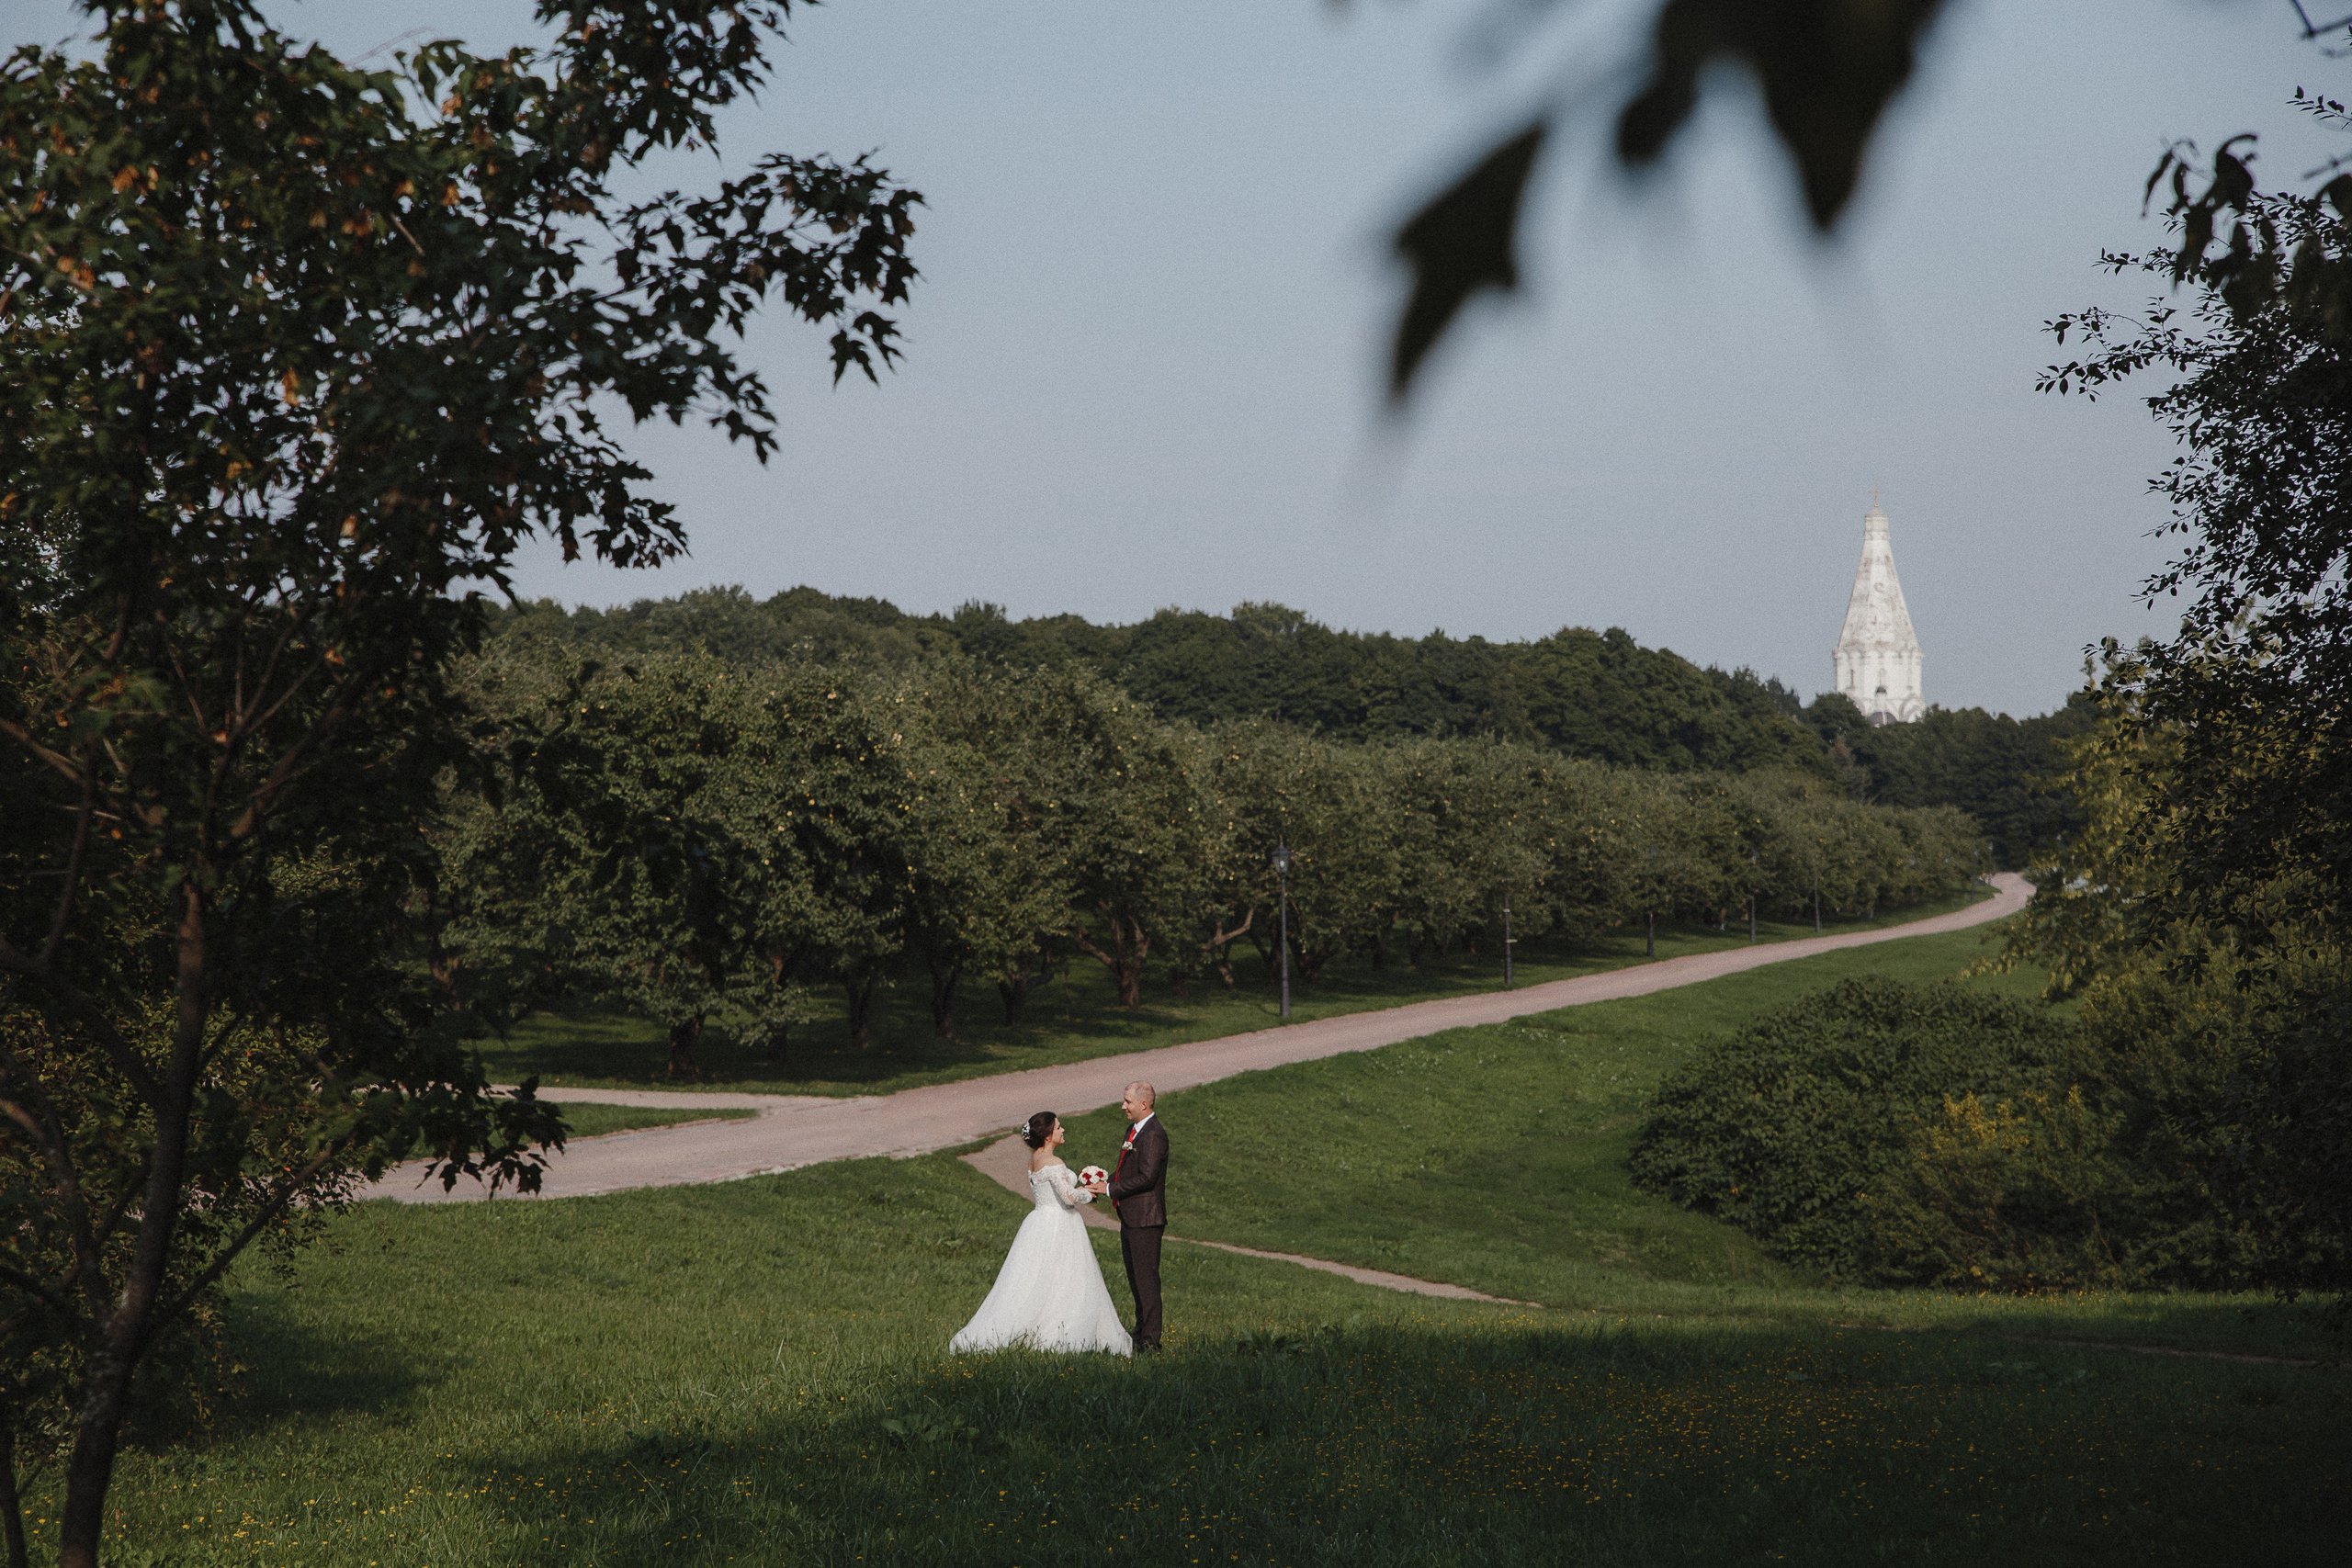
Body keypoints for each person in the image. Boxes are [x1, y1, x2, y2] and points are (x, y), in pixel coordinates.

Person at [949, 1111, 1131, 1356]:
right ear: (1047, 1136)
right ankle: (1062, 1333)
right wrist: (1090, 1191)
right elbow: (1068, 1198)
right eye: (1058, 1127)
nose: (1062, 1130)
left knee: (1035, 1277)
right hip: (1059, 1222)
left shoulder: (1034, 1160)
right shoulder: (1053, 1163)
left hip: (1039, 1221)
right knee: (1066, 1278)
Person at [1091, 1080, 1168, 1353]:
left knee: (1146, 1282)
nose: (1123, 1106)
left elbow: (1147, 1178)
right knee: (1135, 1280)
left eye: (1128, 1102)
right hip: (1131, 1217)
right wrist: (1101, 1182)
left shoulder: (1153, 1135)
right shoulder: (1135, 1130)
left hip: (1146, 1219)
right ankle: (1139, 1335)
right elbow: (1127, 1172)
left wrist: (1111, 1188)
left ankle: (1149, 1343)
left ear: (1144, 1105)